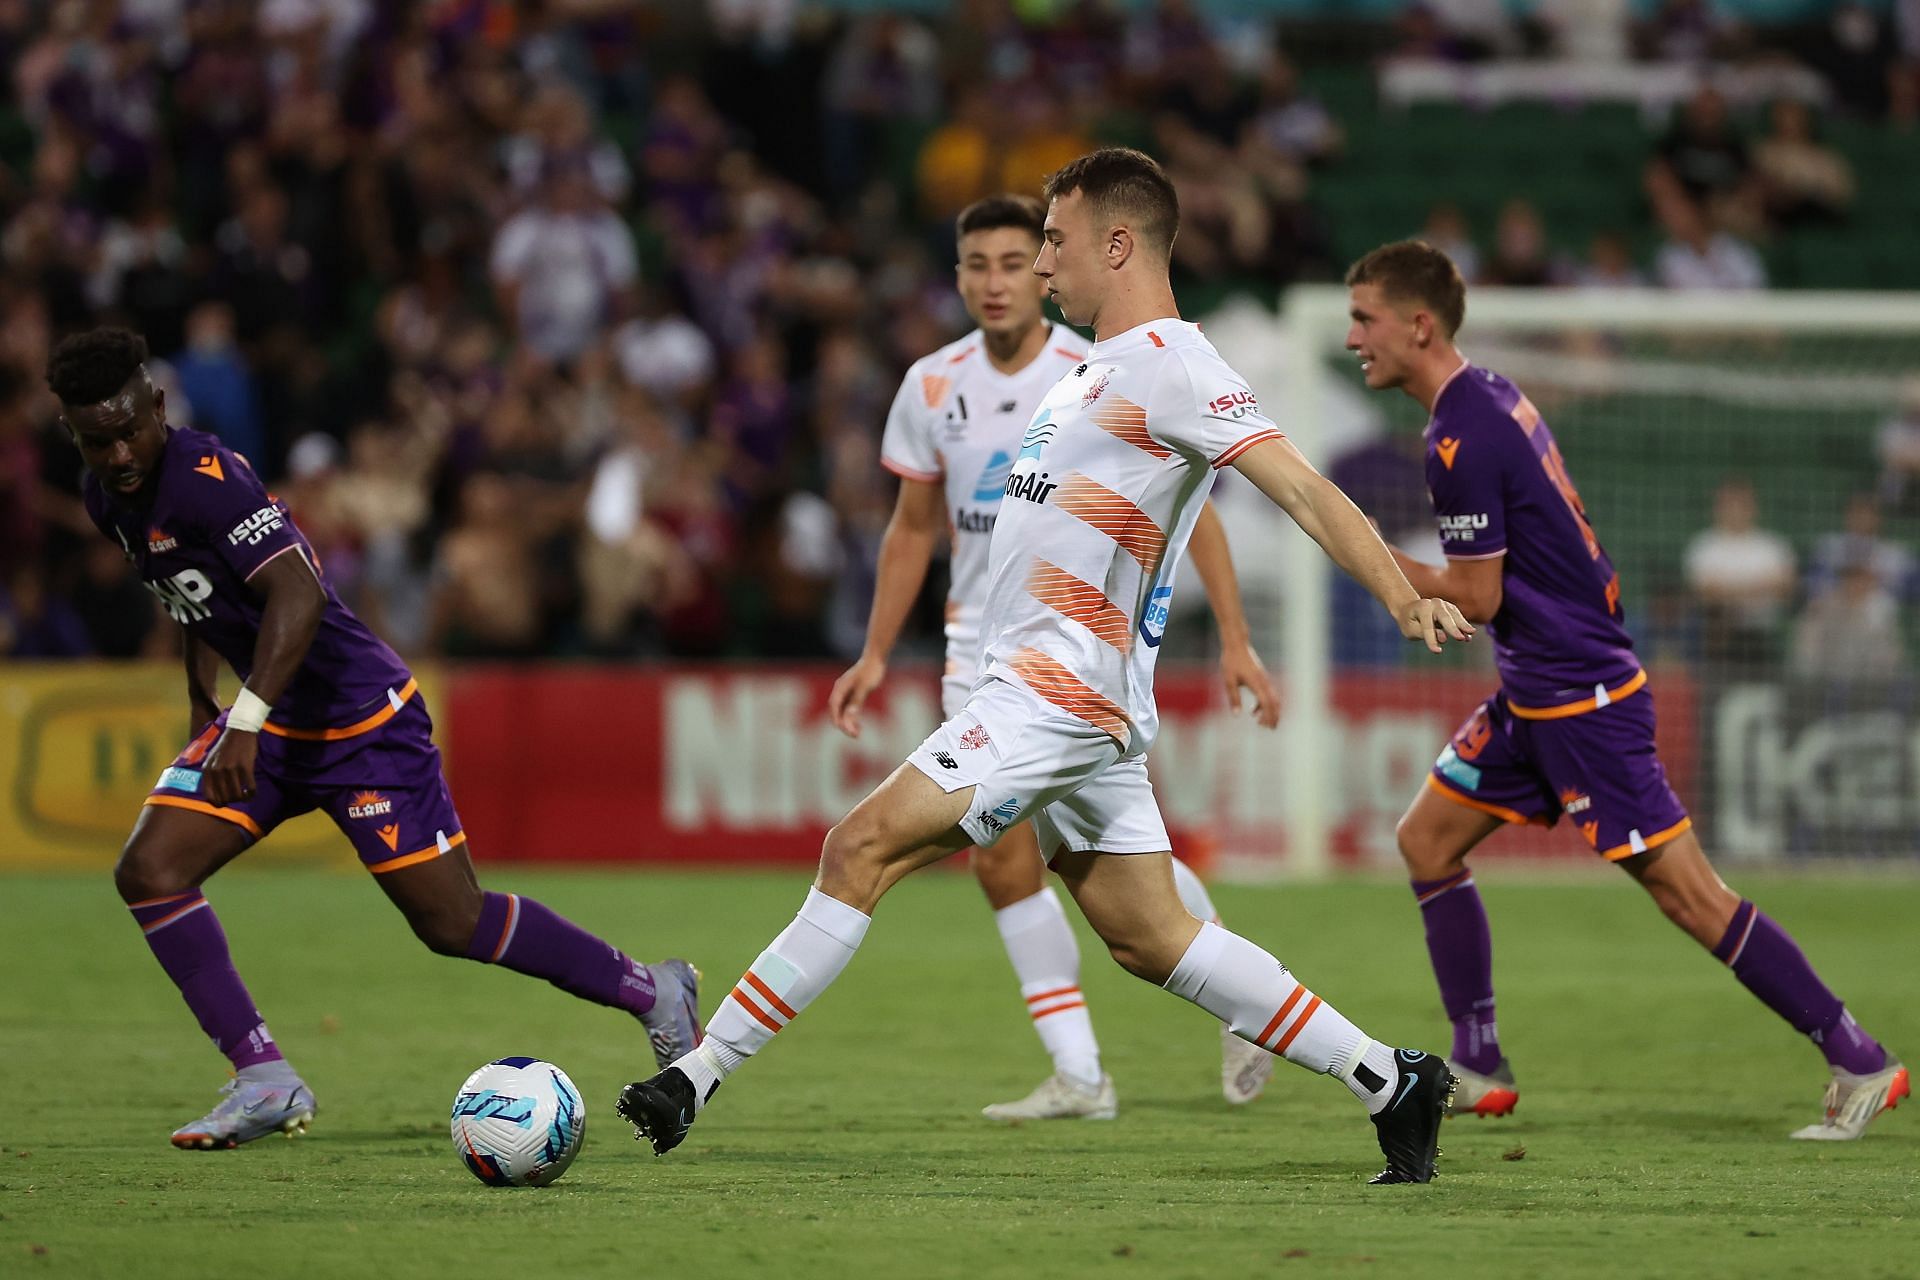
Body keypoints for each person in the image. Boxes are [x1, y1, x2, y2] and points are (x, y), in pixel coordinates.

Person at [619, 149, 1475, 1185]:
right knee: (1152, 937)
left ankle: (695, 1076)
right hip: (1051, 693)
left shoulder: (1176, 364)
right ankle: (1393, 1077)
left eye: (1057, 241)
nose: (1043, 261)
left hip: (1057, 697)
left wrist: (1399, 589)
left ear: (1118, 244)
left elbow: (1302, 487)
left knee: (860, 847)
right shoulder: (1093, 371)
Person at [48, 328, 703, 1150]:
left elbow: (297, 595)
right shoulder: (108, 495)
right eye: (93, 439)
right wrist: (200, 706)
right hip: (267, 719)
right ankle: (264, 1077)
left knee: (452, 923)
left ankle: (653, 990)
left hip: (360, 718)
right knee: (149, 871)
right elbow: (194, 598)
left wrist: (242, 719)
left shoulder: (208, 479)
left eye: (127, 429)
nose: (116, 453)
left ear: (157, 407)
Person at [1343, 240, 1908, 1139]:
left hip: (1581, 697)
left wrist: (1371, 555)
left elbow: (1479, 597)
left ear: (1418, 324)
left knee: (1689, 896)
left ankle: (1857, 1055)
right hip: (1538, 689)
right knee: (1428, 838)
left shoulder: (1460, 433)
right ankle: (1479, 1058)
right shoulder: (1488, 393)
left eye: (1365, 318)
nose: (1352, 337)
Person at [828, 193, 1282, 1120]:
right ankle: (1083, 1072)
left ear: (1044, 268)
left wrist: (1234, 637)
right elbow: (914, 529)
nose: (995, 282)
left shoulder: (1102, 368)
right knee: (1014, 858)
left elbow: (1191, 520)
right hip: (976, 648)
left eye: (1013, 261)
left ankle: (1220, 984)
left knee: (1089, 853)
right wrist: (877, 650)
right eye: (975, 266)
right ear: (956, 277)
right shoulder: (929, 387)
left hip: (1081, 647)